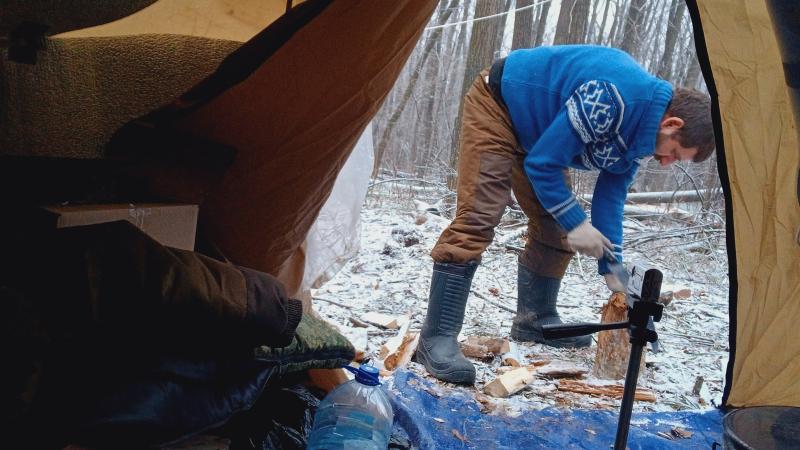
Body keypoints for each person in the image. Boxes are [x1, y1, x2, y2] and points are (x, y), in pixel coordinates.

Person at [414, 45, 715, 385]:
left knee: (554, 225)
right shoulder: (612, 98)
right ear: (672, 123)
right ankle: (436, 337)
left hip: (540, 134)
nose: (666, 163)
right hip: (498, 105)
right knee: (479, 216)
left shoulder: (642, 138)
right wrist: (579, 224)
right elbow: (542, 165)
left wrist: (613, 270)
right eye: (674, 153)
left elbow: (610, 198)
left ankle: (535, 319)